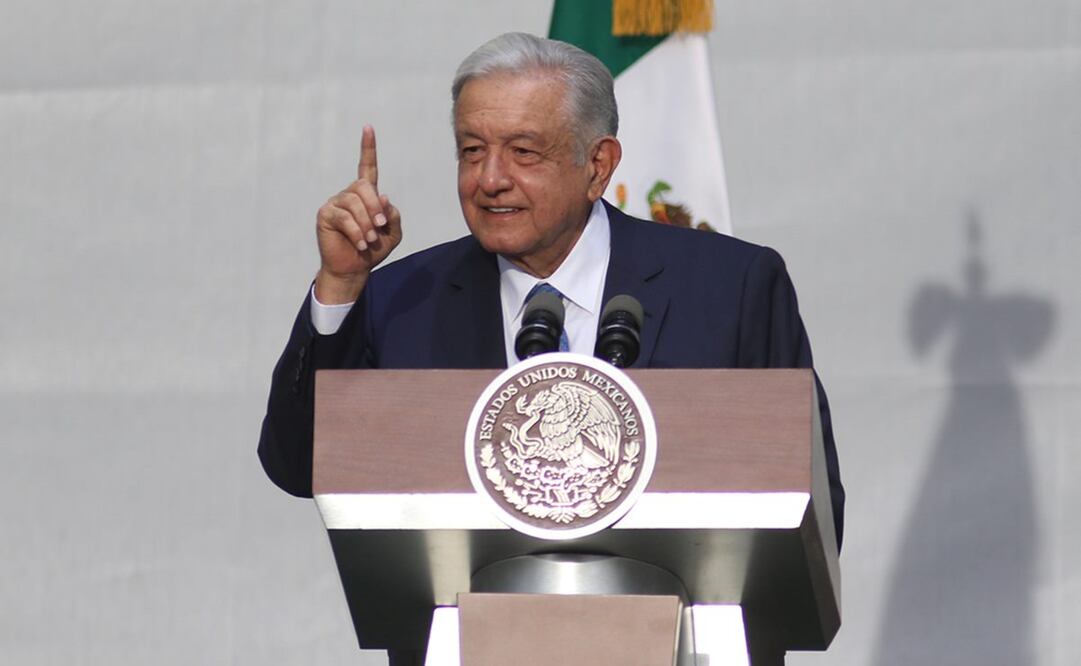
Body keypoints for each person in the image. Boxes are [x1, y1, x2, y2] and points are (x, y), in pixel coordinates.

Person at [258, 31, 843, 664]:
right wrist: (341, 287)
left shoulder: (731, 287)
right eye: (471, 150)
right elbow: (297, 465)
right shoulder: (402, 296)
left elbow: (810, 501)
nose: (489, 179)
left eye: (523, 152)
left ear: (598, 165)